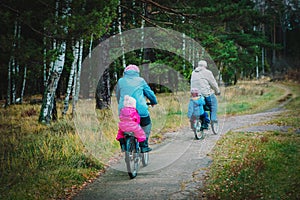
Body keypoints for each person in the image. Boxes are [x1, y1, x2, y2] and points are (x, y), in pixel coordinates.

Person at [116, 64, 158, 153]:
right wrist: (153, 101)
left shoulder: (120, 81)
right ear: (137, 73)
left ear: (125, 72)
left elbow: (118, 95)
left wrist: (121, 105)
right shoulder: (141, 81)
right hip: (140, 110)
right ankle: (144, 145)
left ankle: (124, 143)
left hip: (124, 110)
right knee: (146, 124)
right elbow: (149, 93)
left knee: (124, 126)